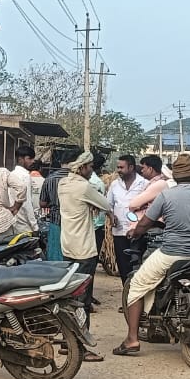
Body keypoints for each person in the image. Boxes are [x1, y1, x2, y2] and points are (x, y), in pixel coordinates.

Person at [116, 154, 190, 356]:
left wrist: (136, 232)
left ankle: (132, 340)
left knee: (137, 285)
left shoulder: (167, 196)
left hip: (173, 253)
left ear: (175, 176)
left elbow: (146, 222)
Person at [57, 152, 110, 361]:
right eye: (90, 167)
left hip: (67, 246)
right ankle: (80, 346)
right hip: (84, 249)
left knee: (69, 298)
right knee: (83, 300)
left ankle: (67, 341)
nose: (92, 170)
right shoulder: (84, 187)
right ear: (83, 167)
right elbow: (106, 204)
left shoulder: (63, 184)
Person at [106, 155, 147, 283]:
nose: (118, 170)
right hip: (119, 232)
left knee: (139, 266)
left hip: (138, 232)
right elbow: (108, 205)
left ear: (131, 167)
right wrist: (111, 215)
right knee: (123, 266)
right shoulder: (115, 185)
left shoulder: (144, 184)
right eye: (118, 167)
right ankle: (126, 292)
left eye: (121, 167)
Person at [38, 164, 70, 261]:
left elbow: (42, 203)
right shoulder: (78, 179)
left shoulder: (50, 178)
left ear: (61, 163)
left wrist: (53, 203)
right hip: (74, 222)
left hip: (55, 220)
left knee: (55, 254)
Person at [10, 146, 39, 233]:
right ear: (20, 159)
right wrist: (35, 226)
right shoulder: (25, 176)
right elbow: (27, 203)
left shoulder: (11, 174)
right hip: (24, 224)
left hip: (12, 222)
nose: (32, 161)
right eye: (29, 158)